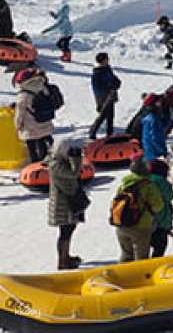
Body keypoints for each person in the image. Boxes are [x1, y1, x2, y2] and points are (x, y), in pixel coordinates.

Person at [110, 158, 165, 262]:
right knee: (141, 258)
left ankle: (123, 276)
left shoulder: (124, 184)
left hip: (121, 224)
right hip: (140, 225)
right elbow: (158, 205)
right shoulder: (148, 185)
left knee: (126, 256)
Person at [46, 141, 86, 269]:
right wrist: (76, 158)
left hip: (66, 201)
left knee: (68, 230)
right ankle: (63, 260)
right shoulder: (56, 165)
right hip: (63, 203)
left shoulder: (58, 161)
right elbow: (73, 175)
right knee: (65, 231)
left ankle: (65, 256)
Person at [15, 68, 59, 163]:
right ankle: (47, 162)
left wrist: (17, 126)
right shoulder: (43, 87)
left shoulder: (23, 95)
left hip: (30, 126)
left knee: (32, 147)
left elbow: (19, 114)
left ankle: (35, 167)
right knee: (42, 142)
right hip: (45, 121)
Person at [89, 52, 122, 140]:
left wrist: (117, 82)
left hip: (111, 95)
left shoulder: (107, 69)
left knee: (111, 116)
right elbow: (97, 87)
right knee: (103, 116)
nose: (108, 60)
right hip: (103, 98)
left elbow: (113, 78)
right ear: (102, 61)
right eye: (106, 59)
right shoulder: (97, 72)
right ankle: (92, 132)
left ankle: (109, 133)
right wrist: (110, 87)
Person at [147, 157, 173, 257]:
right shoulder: (160, 180)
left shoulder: (144, 179)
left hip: (143, 219)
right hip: (160, 219)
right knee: (160, 247)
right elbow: (170, 195)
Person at [137, 94, 170, 164]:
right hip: (155, 153)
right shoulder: (153, 118)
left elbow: (161, 127)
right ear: (153, 104)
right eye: (158, 102)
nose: (160, 103)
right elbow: (156, 137)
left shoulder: (149, 116)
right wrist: (163, 151)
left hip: (149, 151)